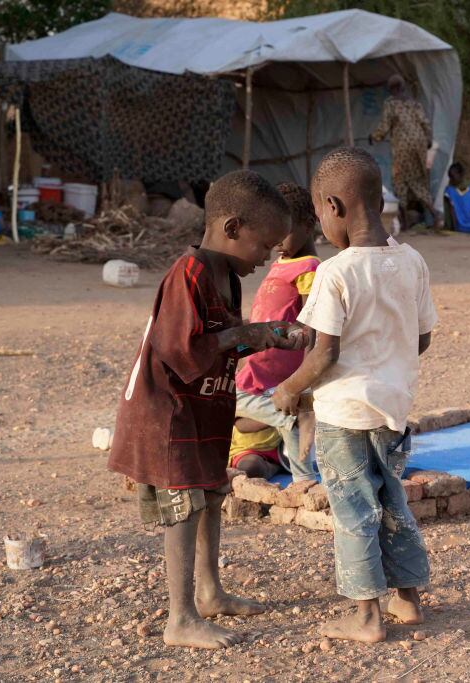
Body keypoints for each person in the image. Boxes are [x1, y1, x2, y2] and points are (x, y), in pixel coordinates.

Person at [107, 170, 307, 649]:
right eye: (264, 246)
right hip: (169, 413)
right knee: (183, 505)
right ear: (232, 228)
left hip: (203, 407)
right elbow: (179, 350)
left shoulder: (228, 277)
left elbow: (220, 345)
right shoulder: (189, 273)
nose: (265, 260)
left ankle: (209, 592)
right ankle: (180, 618)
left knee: (211, 494)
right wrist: (243, 335)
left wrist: (265, 338)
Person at [272, 147, 435, 643]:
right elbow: (423, 336)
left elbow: (323, 354)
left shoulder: (336, 272)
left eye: (320, 214)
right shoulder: (411, 260)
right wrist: (390, 360)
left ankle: (365, 616)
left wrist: (288, 389)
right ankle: (408, 599)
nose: (321, 225)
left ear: (334, 206)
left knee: (352, 508)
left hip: (343, 413)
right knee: (392, 500)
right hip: (393, 407)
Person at [230, 182, 321, 481]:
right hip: (260, 368)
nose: (277, 240)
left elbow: (311, 325)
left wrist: (305, 380)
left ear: (308, 225)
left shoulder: (308, 266)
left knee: (229, 400)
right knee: (243, 414)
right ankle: (298, 470)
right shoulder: (284, 261)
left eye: (285, 231)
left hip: (274, 373)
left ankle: (304, 479)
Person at [369, 74, 443, 232]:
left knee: (399, 182)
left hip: (402, 147)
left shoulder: (391, 103)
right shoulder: (414, 104)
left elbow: (384, 126)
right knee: (418, 182)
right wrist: (428, 140)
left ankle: (405, 224)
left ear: (393, 89)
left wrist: (374, 137)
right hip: (420, 145)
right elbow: (425, 124)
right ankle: (436, 215)